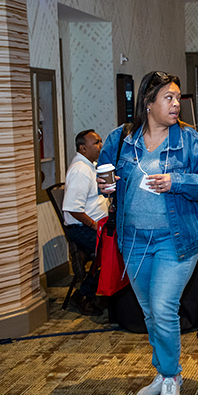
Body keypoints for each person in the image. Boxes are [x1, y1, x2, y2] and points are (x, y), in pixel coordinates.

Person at [97, 71, 198, 395]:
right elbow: (104, 176)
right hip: (134, 241)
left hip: (176, 240)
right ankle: (164, 370)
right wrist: (104, 184)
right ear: (148, 103)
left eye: (177, 97)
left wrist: (176, 181)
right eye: (168, 97)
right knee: (151, 312)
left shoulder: (190, 140)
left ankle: (170, 376)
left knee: (164, 308)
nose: (176, 103)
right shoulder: (121, 139)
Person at [62, 129, 109, 316]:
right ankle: (83, 295)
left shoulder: (92, 166)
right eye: (96, 143)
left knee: (122, 246)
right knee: (112, 254)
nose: (100, 146)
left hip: (94, 225)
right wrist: (94, 225)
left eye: (100, 141)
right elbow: (73, 208)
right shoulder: (80, 170)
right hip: (81, 228)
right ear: (82, 148)